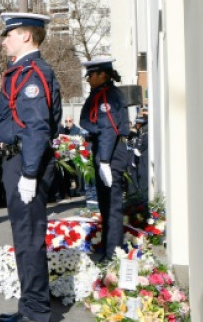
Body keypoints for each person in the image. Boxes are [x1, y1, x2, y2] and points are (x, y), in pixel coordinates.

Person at [0, 12, 61, 322]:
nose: (4, 40)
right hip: (19, 160)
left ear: (26, 36)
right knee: (25, 237)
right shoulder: (22, 70)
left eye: (9, 34)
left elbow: (36, 127)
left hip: (25, 162)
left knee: (29, 238)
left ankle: (35, 313)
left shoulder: (32, 73)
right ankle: (30, 307)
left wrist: (30, 173)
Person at [79, 59, 130, 260]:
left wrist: (105, 161)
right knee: (106, 206)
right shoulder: (103, 94)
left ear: (102, 75)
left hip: (110, 152)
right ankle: (110, 251)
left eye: (91, 75)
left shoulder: (106, 96)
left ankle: (113, 254)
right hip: (106, 150)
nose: (88, 79)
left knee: (112, 207)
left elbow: (108, 130)